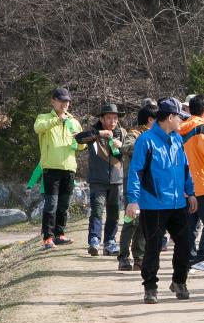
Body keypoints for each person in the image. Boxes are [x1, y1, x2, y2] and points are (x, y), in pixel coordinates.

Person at [125, 98, 197, 304]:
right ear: (170, 117)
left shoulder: (177, 140)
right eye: (180, 118)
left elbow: (185, 169)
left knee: (185, 245)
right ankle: (150, 287)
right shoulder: (145, 140)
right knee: (153, 248)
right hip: (153, 205)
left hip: (178, 204)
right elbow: (136, 172)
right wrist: (133, 200)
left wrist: (190, 193)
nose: (182, 121)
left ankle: (179, 281)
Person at [33, 87, 86, 250]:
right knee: (51, 204)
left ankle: (60, 234)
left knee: (64, 204)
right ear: (53, 101)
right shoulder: (43, 118)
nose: (65, 104)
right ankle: (47, 238)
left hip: (69, 167)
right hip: (51, 168)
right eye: (62, 100)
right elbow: (38, 129)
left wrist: (82, 141)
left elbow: (81, 145)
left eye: (67, 101)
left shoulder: (74, 121)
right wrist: (58, 120)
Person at [75, 102, 126, 257]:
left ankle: (110, 242)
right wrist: (99, 134)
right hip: (98, 179)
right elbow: (79, 139)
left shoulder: (122, 133)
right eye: (109, 118)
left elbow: (131, 150)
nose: (113, 121)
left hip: (117, 180)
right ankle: (94, 241)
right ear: (102, 119)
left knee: (114, 213)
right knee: (97, 210)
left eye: (115, 118)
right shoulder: (93, 132)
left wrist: (121, 146)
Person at [178, 94, 204, 274]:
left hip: (184, 184)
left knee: (191, 223)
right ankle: (203, 257)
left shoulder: (180, 129)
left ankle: (189, 259)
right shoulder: (203, 129)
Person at [117, 101, 157, 270]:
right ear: (150, 119)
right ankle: (123, 257)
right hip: (132, 179)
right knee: (131, 219)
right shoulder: (134, 133)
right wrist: (146, 145)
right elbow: (126, 148)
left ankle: (139, 258)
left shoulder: (157, 135)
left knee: (144, 220)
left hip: (148, 181)